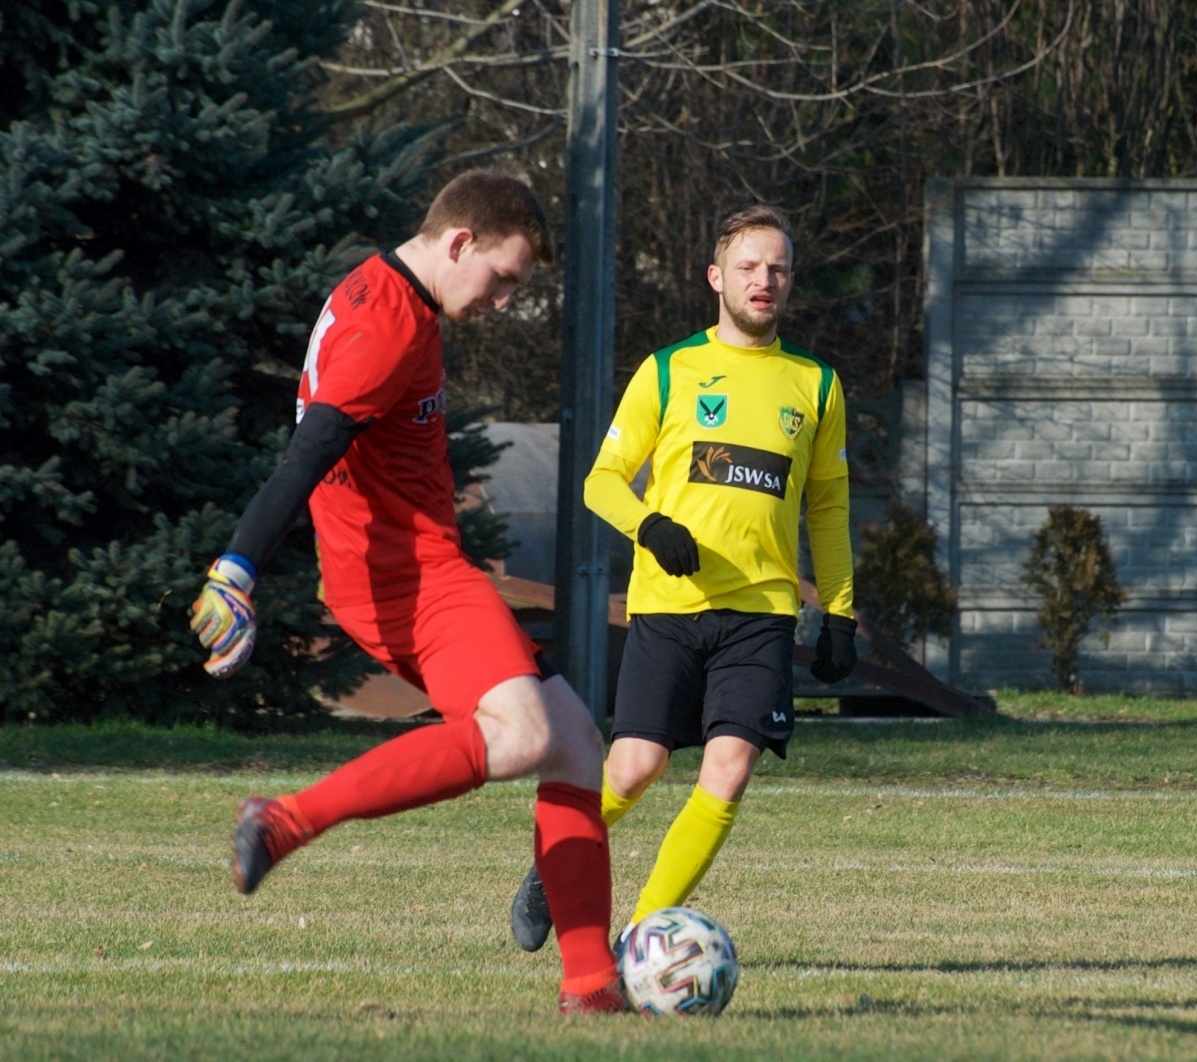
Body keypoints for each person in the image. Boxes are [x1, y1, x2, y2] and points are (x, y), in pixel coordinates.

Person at [188, 170, 627, 1013]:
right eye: (502, 278)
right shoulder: (388, 325)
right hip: (408, 575)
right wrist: (237, 567)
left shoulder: (386, 289)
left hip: (409, 567)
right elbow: (311, 450)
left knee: (575, 742)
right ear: (459, 241)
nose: (503, 301)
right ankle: (285, 819)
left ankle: (592, 986)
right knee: (530, 733)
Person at [509, 204, 857, 953]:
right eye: (748, 267)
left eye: (778, 269)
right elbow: (601, 481)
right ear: (716, 278)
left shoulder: (817, 385)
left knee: (729, 772)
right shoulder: (667, 370)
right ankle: (551, 862)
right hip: (669, 606)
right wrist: (650, 526)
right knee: (634, 768)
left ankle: (641, 941)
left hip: (761, 612)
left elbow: (828, 507)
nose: (764, 281)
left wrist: (841, 613)